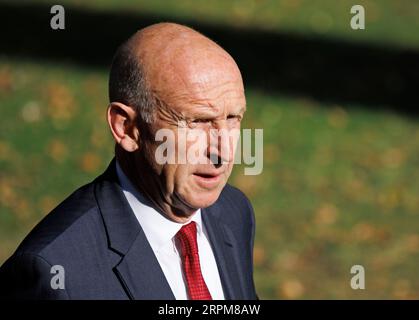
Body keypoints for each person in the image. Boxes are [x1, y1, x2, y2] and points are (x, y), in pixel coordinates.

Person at [0, 22, 257, 300]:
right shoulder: (53, 272)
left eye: (232, 119)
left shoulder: (234, 212)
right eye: (197, 122)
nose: (222, 152)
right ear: (126, 128)